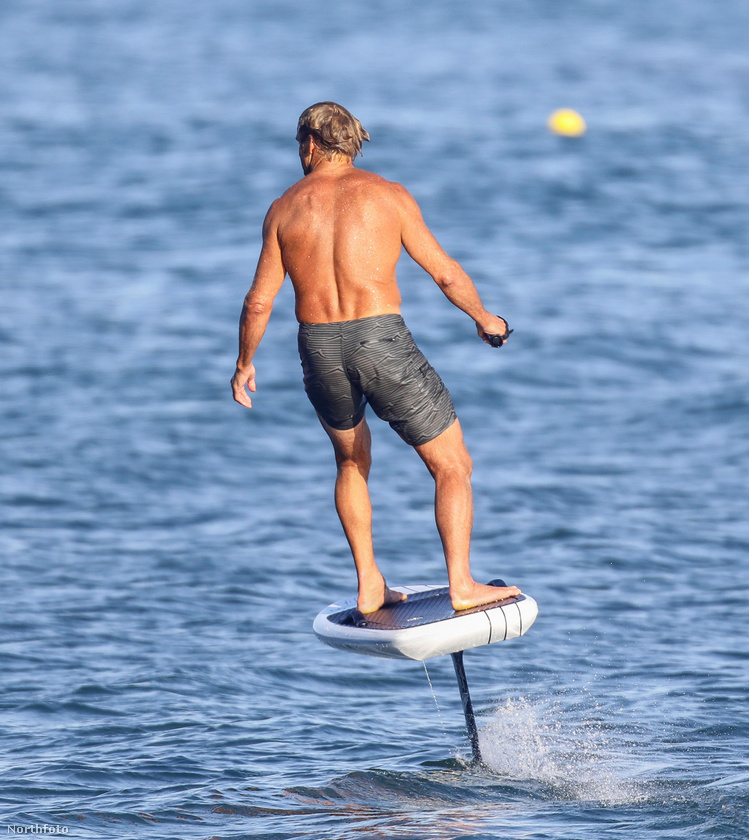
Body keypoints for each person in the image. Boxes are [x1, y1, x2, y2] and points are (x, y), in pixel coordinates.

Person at [231, 102, 521, 614]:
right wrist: (485, 318)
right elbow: (446, 274)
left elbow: (258, 301)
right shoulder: (388, 196)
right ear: (352, 143)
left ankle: (369, 581)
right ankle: (462, 584)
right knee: (452, 464)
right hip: (380, 339)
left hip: (317, 346)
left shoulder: (283, 208)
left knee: (350, 459)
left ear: (312, 144)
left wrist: (244, 364)